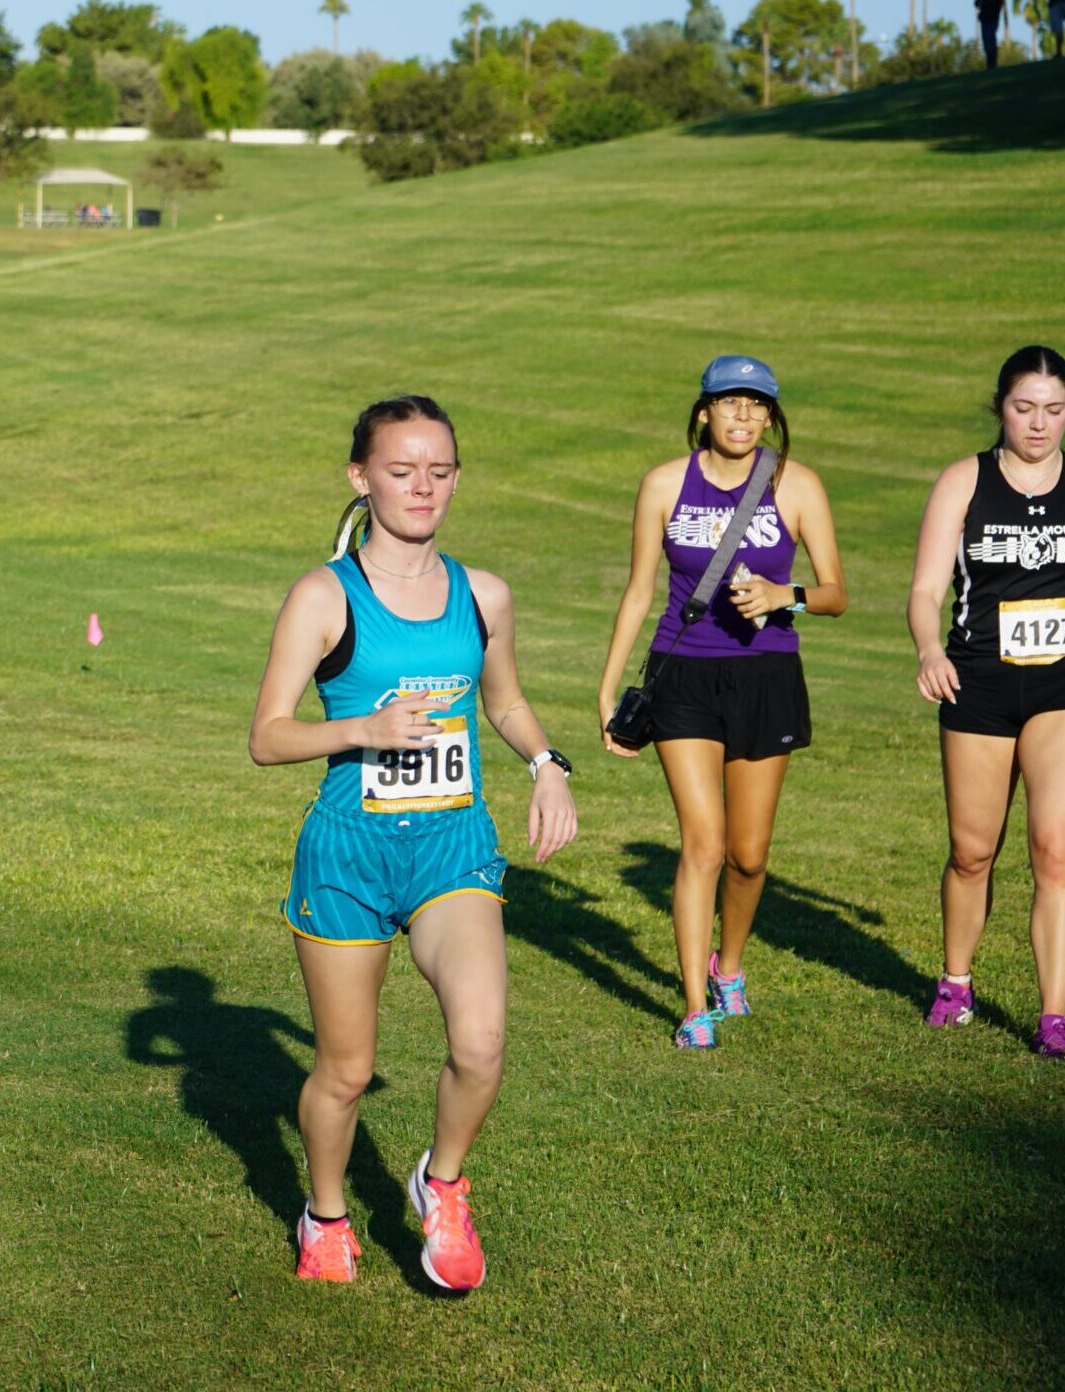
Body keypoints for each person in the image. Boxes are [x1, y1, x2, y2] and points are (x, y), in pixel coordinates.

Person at [249, 396, 578, 1291]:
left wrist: (547, 763)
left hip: (452, 850)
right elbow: (268, 735)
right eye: (401, 470)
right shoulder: (325, 595)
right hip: (350, 854)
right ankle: (324, 1214)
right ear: (362, 479)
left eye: (438, 470)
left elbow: (502, 700)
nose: (421, 486)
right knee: (347, 1071)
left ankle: (442, 1183)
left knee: (480, 1041)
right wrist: (362, 730)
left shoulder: (484, 595)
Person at [594, 357, 846, 1049]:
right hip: (684, 679)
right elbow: (641, 589)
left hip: (767, 676)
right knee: (702, 844)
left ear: (772, 417)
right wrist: (610, 684)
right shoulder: (664, 484)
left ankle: (727, 964)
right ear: (702, 411)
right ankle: (694, 1006)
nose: (743, 417)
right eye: (729, 404)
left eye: (756, 406)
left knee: (749, 855)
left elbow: (836, 593)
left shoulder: (796, 487)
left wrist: (780, 596)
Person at [909, 346, 1065, 1060]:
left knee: (1055, 850)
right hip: (979, 683)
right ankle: (956, 982)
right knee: (973, 852)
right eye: (1023, 408)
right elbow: (926, 590)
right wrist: (929, 650)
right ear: (1000, 406)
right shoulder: (963, 482)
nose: (1039, 425)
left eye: (1054, 410)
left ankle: (1054, 1016)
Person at [976, 0, 1003, 66]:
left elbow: (999, 3)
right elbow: (977, 3)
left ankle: (992, 64)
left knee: (990, 40)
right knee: (986, 42)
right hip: (985, 18)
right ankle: (990, 64)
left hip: (992, 18)